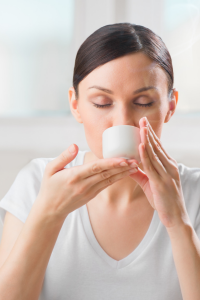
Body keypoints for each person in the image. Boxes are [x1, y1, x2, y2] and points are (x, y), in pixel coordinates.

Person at [0, 23, 200, 300]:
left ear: (171, 106)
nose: (122, 122)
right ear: (75, 105)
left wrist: (177, 221)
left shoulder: (195, 193)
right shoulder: (37, 183)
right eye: (102, 103)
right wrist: (49, 213)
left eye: (143, 102)